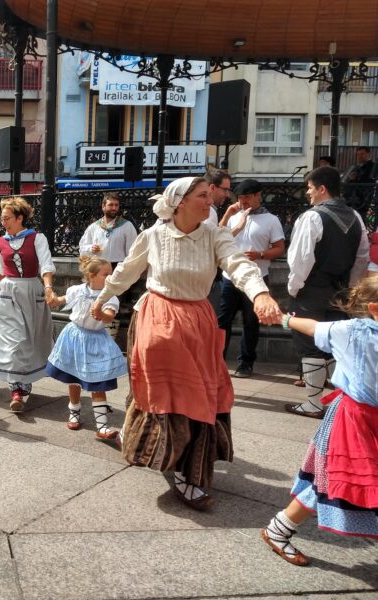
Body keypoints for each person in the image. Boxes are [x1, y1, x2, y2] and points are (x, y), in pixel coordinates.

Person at [91, 177, 282, 510]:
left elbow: (239, 266)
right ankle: (171, 462)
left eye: (211, 195)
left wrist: (261, 293)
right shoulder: (152, 236)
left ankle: (181, 463)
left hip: (197, 321)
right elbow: (126, 272)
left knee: (198, 396)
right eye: (202, 195)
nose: (211, 200)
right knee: (164, 392)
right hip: (157, 317)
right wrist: (102, 298)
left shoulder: (215, 235)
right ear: (179, 202)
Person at [261, 278, 378, 566]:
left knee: (332, 481)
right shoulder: (353, 331)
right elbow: (313, 327)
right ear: (375, 308)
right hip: (353, 420)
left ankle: (278, 529)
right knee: (330, 481)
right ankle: (278, 529)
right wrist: (285, 320)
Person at [285, 166, 370, 418]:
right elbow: (361, 259)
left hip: (311, 290)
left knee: (310, 345)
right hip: (341, 291)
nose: (308, 193)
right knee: (333, 343)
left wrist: (294, 289)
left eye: (310, 187)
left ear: (322, 188)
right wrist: (350, 288)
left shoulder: (312, 217)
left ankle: (313, 403)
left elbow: (301, 259)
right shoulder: (355, 216)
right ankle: (336, 403)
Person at [0, 197, 57, 412]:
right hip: (7, 293)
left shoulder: (37, 238)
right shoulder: (0, 241)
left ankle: (24, 384)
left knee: (28, 340)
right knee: (13, 341)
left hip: (30, 291)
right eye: (2, 218)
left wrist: (48, 288)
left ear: (19, 218)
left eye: (7, 218)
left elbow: (46, 265)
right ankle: (16, 390)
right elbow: (0, 270)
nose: (3, 222)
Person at [46, 255, 127, 442]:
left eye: (111, 274)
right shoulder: (77, 290)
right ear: (92, 276)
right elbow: (61, 300)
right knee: (74, 379)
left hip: (95, 340)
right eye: (106, 274)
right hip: (74, 336)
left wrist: (101, 314)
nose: (110, 277)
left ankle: (103, 426)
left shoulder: (110, 296)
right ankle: (74, 412)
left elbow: (109, 316)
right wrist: (52, 298)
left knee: (97, 381)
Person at [217, 179, 286, 378]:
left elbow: (280, 248)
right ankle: (217, 360)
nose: (243, 202)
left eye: (247, 197)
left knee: (251, 321)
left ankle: (246, 362)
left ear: (258, 196)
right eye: (240, 198)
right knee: (223, 321)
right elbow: (217, 237)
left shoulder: (271, 220)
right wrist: (229, 214)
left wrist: (261, 255)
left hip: (256, 278)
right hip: (230, 276)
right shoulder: (233, 215)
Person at [78, 192, 138, 269]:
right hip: (98, 268)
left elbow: (132, 252)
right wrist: (91, 248)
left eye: (116, 205)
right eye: (111, 205)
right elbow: (82, 247)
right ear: (103, 206)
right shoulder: (94, 227)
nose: (114, 208)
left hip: (118, 268)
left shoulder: (127, 226)